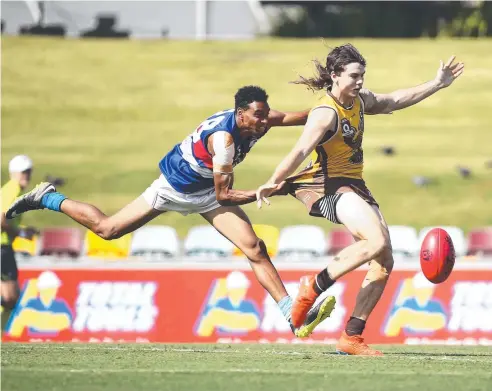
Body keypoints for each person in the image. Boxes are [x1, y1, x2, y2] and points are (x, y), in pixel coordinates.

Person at [6, 86, 335, 337]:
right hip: (175, 188)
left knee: (254, 247)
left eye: (266, 115)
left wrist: (337, 104)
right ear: (240, 114)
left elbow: (304, 116)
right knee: (108, 230)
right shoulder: (223, 140)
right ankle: (48, 197)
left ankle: (292, 314)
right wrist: (270, 189)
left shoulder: (258, 120)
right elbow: (227, 193)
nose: (265, 122)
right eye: (258, 117)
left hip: (207, 192)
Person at [256, 45, 464, 355]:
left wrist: (436, 84)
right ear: (336, 75)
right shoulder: (326, 113)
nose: (360, 82)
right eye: (354, 76)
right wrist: (274, 179)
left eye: (362, 76)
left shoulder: (360, 101)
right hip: (329, 185)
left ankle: (351, 336)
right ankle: (311, 288)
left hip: (354, 185)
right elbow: (299, 151)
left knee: (384, 261)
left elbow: (394, 99)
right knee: (375, 240)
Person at [1, 155, 38, 330]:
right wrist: (18, 232)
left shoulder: (11, 190)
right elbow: (1, 219)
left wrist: (23, 231)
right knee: (10, 298)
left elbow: (8, 220)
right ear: (13, 173)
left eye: (29, 171)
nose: (27, 176)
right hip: (2, 247)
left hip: (5, 247)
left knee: (11, 298)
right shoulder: (12, 190)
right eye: (24, 172)